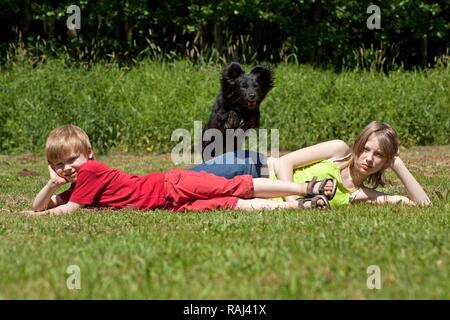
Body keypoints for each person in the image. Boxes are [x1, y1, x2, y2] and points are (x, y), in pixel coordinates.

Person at [24, 125, 339, 216]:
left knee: (239, 187)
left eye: (71, 160)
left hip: (170, 186)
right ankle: (302, 205)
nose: (67, 169)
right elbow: (44, 206)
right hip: (170, 204)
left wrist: (37, 215)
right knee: (232, 204)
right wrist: (50, 187)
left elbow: (67, 210)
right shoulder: (75, 183)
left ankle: (304, 188)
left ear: (88, 154)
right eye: (58, 165)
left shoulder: (90, 171)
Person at [191, 121, 431, 207]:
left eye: (379, 155)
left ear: (385, 162)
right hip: (252, 168)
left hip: (252, 194)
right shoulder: (338, 150)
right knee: (181, 182)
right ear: (357, 145)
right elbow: (286, 162)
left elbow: (422, 205)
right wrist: (294, 203)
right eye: (366, 149)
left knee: (189, 200)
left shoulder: (359, 195)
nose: (369, 158)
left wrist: (398, 163)